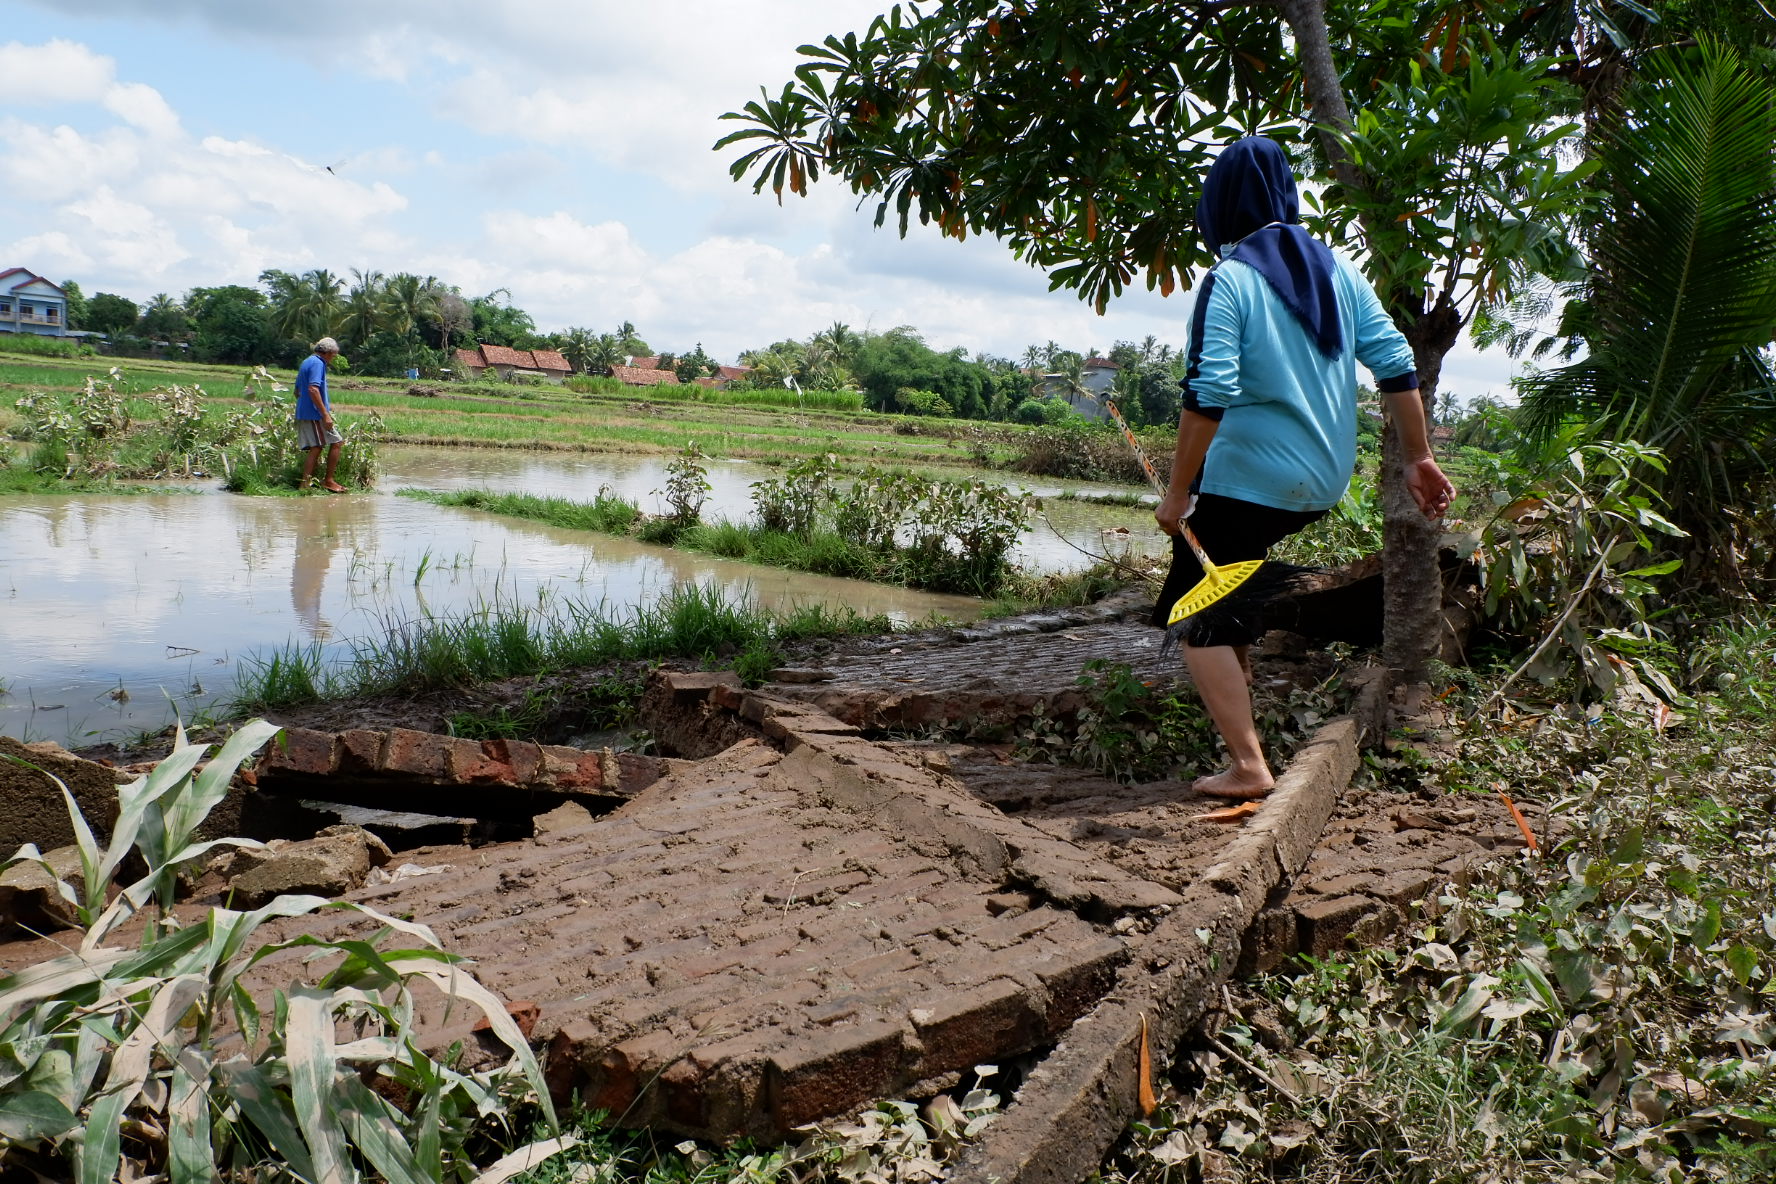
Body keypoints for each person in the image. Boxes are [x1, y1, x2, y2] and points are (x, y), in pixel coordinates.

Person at [1153, 136, 1454, 800]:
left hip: (1250, 479)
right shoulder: (1340, 274)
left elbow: (1209, 393)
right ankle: (1244, 738)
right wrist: (1419, 457)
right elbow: (1396, 363)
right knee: (1224, 588)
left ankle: (1249, 767)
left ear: (1220, 205)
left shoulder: (1230, 279)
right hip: (1321, 482)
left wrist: (1177, 493)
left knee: (1189, 610)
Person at [295, 337, 347, 492]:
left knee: (317, 446)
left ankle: (306, 483)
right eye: (333, 355)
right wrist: (325, 415)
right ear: (328, 352)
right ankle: (327, 481)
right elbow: (313, 389)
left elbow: (297, 391)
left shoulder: (307, 361)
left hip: (307, 412)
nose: (333, 359)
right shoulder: (318, 363)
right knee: (333, 443)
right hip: (315, 414)